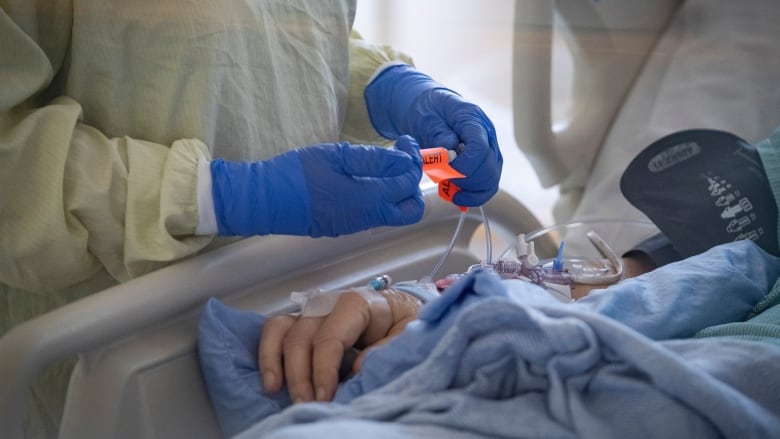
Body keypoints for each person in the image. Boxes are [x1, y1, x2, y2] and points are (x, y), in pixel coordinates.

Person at [0, 1, 502, 435]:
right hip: (115, 342)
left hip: (303, 301)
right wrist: (214, 195)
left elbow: (271, 38)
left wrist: (384, 85)